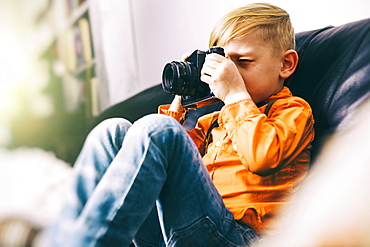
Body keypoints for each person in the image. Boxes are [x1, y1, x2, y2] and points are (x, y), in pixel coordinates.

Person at [41, 3, 314, 246]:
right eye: (222, 64)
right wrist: (180, 99)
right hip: (180, 226)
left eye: (242, 63)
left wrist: (234, 95)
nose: (228, 74)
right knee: (112, 131)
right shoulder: (214, 121)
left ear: (286, 64)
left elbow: (262, 157)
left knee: (161, 130)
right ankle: (65, 239)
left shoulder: (293, 111)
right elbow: (173, 162)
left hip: (241, 238)